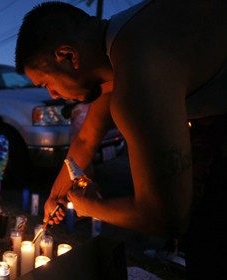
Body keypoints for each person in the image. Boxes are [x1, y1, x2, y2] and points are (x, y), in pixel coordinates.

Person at [15, 1, 226, 278]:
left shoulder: (139, 76)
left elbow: (166, 216)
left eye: (45, 84)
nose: (53, 95)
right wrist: (55, 197)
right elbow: (86, 140)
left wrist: (86, 207)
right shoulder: (120, 47)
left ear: (67, 56)